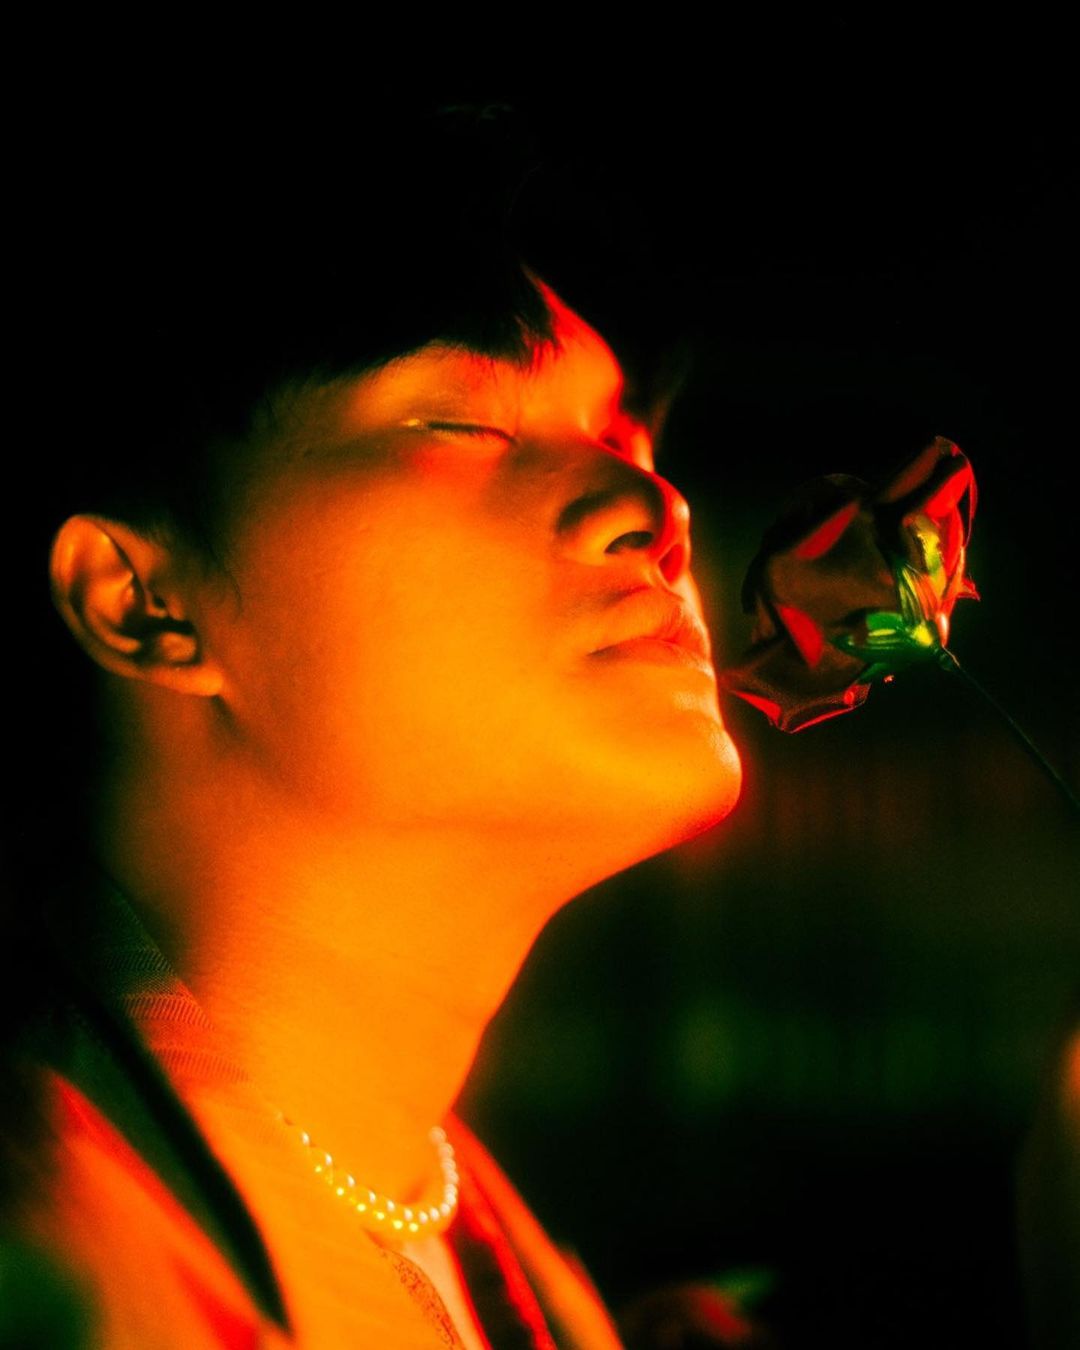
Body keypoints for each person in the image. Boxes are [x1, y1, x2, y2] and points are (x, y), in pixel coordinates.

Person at [0, 115, 743, 1347]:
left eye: (627, 441)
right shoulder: (51, 1273)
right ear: (142, 600)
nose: (651, 508)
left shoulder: (490, 1266)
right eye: (462, 426)